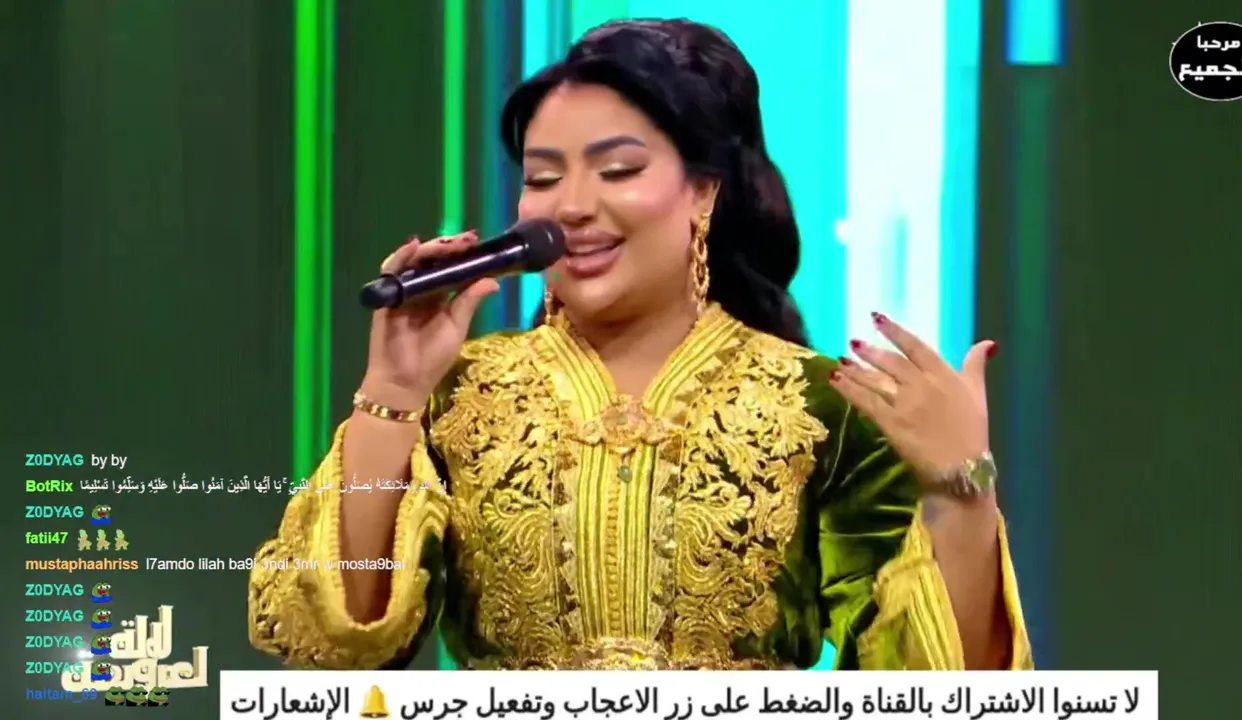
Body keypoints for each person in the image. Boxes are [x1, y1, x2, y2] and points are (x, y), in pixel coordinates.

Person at [247, 18, 1031, 671]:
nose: (571, 207)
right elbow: (334, 648)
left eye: (617, 170)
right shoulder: (460, 393)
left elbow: (945, 693)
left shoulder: (819, 405)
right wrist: (391, 396)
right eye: (542, 179)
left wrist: (962, 490)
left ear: (704, 192)